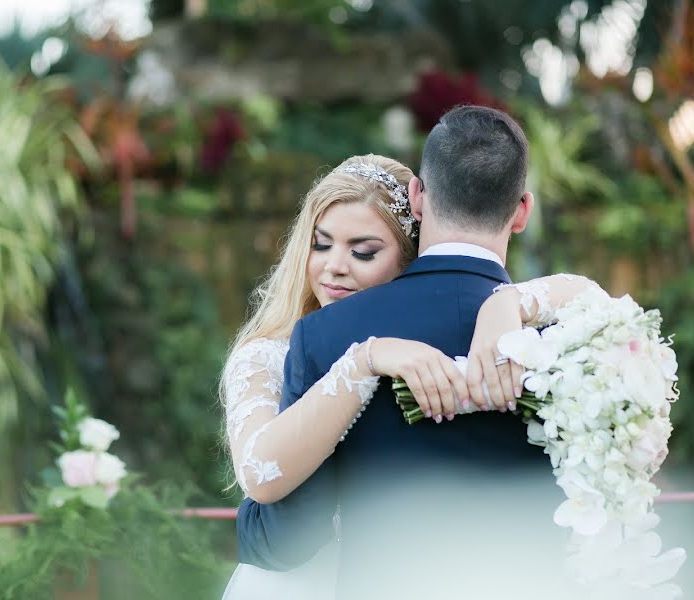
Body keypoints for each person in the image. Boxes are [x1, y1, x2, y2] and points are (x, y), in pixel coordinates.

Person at [230, 106, 599, 599]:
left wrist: (516, 300)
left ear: (418, 202)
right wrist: (365, 359)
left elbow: (289, 532)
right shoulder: (573, 337)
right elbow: (265, 483)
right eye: (321, 245)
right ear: (522, 210)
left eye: (364, 252)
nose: (335, 268)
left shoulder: (323, 336)